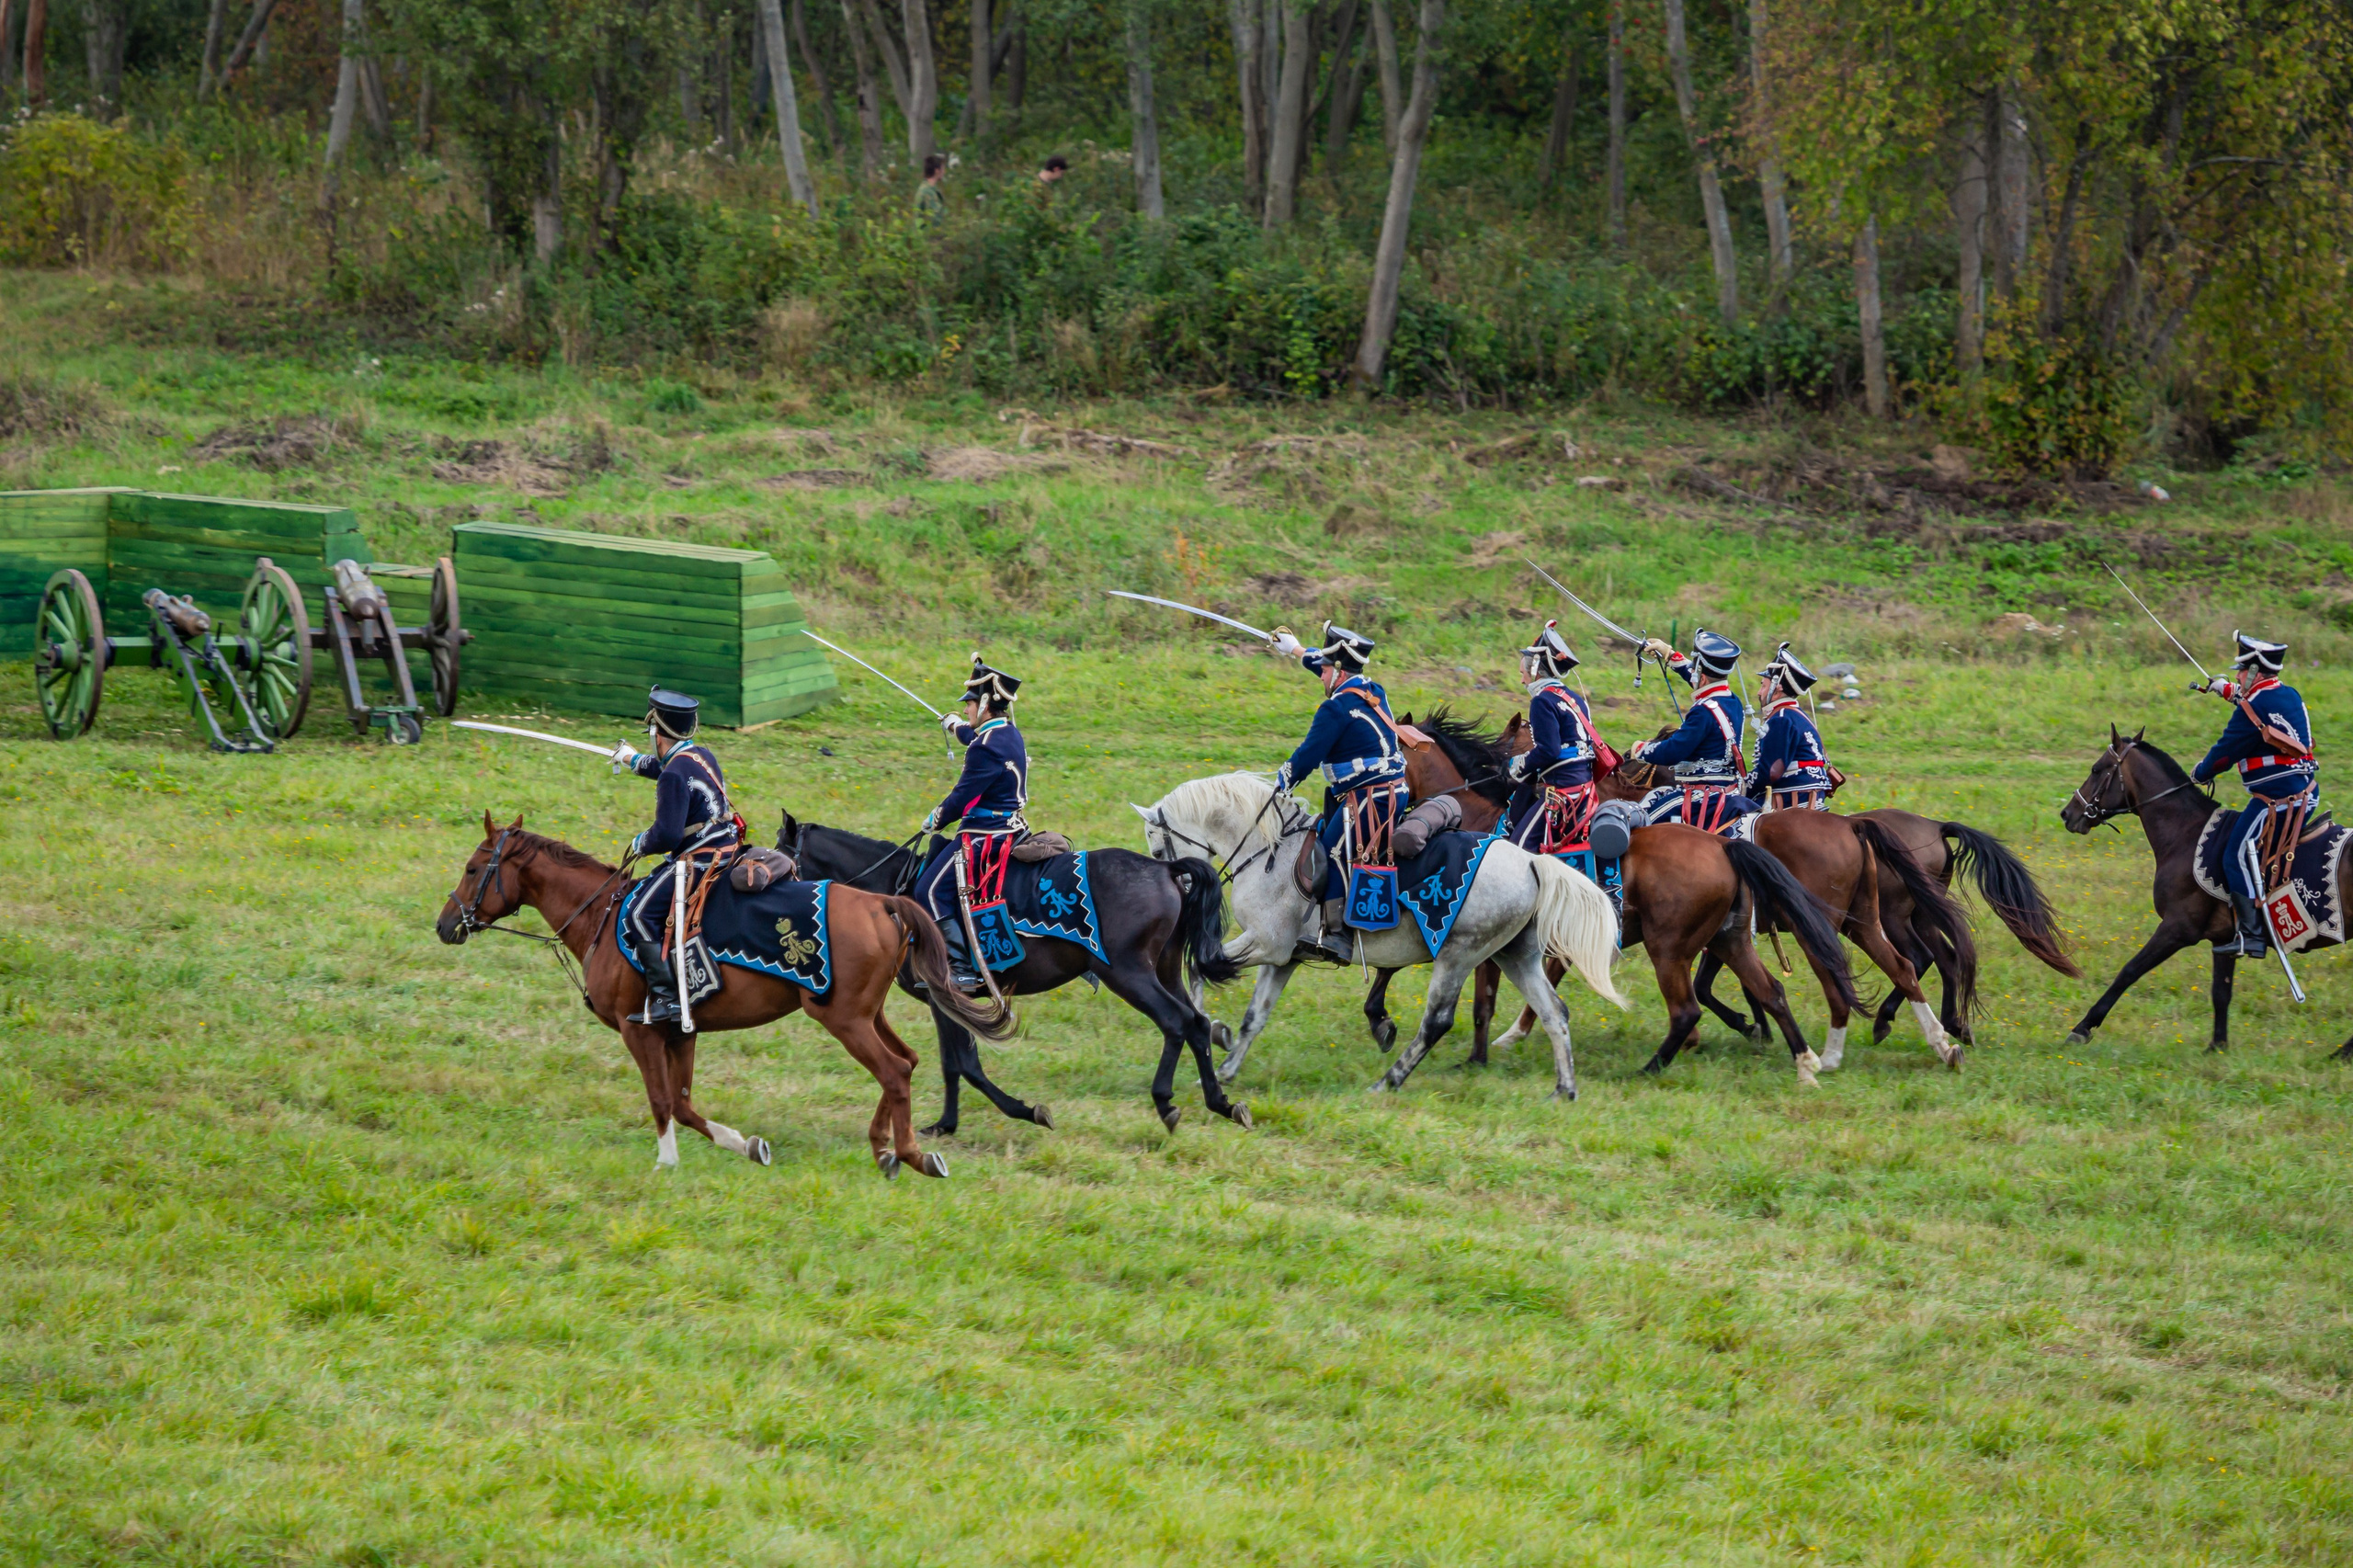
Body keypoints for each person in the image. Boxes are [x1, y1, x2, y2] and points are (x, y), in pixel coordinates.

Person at [1270, 621, 1405, 963]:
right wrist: (1295, 649)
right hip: (1389, 789)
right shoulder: (1372, 689)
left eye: (1326, 670)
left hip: (1372, 798)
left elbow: (1308, 756)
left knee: (1328, 853)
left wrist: (1281, 783)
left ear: (1340, 671)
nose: (1321, 676)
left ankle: (1338, 936)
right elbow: (1324, 663)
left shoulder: (1334, 709)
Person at [613, 687, 742, 1026]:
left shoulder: (673, 774)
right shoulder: (700, 755)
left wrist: (640, 842)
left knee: (638, 914)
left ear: (656, 730)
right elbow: (668, 767)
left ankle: (667, 999)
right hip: (727, 846)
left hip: (701, 858)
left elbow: (667, 835)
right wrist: (631, 759)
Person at [2192, 631, 2317, 958]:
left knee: (2234, 856)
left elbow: (2223, 754)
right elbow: (2255, 705)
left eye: (2241, 671)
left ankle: (2252, 937)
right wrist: (2225, 690)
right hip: (2307, 791)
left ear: (2255, 673)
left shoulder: (2253, 708)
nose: (2236, 676)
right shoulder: (2287, 693)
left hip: (2277, 799)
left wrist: (2200, 773)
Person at [915, 655, 1029, 986]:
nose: (965, 710)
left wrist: (935, 818)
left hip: (986, 834)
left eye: (968, 705)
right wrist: (953, 725)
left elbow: (960, 798)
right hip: (1013, 826)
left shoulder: (985, 749)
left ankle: (961, 968)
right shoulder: (1008, 732)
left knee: (929, 891)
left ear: (985, 705)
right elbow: (975, 736)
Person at [1505, 620, 1609, 852]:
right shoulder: (1574, 697)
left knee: (1517, 849)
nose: (1522, 680)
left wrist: (1518, 766)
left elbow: (1549, 750)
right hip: (1584, 789)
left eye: (1523, 674)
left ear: (1534, 671)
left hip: (1562, 791)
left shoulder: (1542, 701)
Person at [1630, 629, 1749, 832]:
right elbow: (1698, 678)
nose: (1692, 672)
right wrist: (1670, 655)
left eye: (1695, 669)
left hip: (1700, 797)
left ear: (1702, 676)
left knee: (1637, 824)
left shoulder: (1703, 711)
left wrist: (1641, 750)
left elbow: (1674, 751)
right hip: (1726, 791)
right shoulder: (1732, 700)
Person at [1745, 642, 1834, 811]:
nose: (1759, 692)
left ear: (1776, 690)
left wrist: (1741, 788)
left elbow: (1770, 771)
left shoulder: (1781, 718)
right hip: (1807, 791)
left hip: (1794, 793)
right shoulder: (1795, 714)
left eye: (1763, 686)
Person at [915, 152, 948, 225]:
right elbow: (935, 221)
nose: (944, 172)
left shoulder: (931, 189)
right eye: (943, 169)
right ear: (937, 171)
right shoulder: (927, 192)